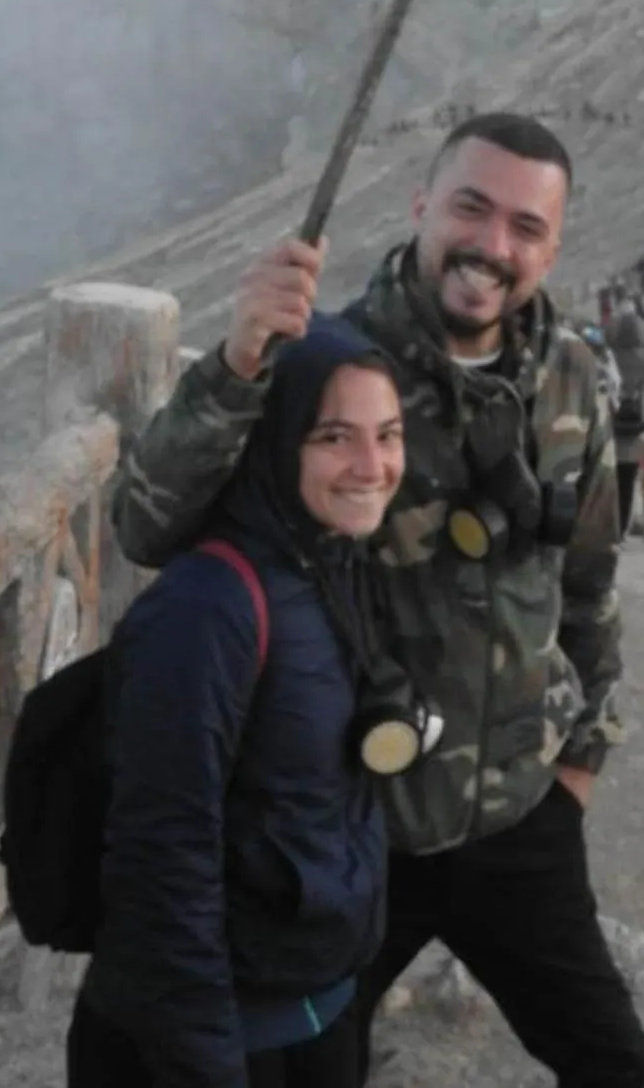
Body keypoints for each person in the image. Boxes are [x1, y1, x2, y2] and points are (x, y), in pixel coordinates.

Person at [111, 113, 644, 1088]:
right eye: (471, 208)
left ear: (553, 245)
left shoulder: (571, 375)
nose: (493, 247)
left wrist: (582, 760)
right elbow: (144, 526)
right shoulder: (316, 361)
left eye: (526, 228)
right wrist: (239, 363)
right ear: (420, 208)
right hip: (347, 833)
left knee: (617, 1070)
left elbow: (589, 577)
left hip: (518, 824)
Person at [69, 317, 398, 1088]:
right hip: (211, 1046)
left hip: (316, 1015)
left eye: (388, 435)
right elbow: (164, 866)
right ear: (275, 440)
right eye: (334, 437)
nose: (372, 465)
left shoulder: (329, 561)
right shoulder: (208, 607)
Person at [607, 309, 644, 537]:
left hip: (610, 431)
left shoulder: (609, 356)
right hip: (636, 433)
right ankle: (621, 528)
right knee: (627, 481)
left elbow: (607, 390)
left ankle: (608, 526)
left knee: (607, 482)